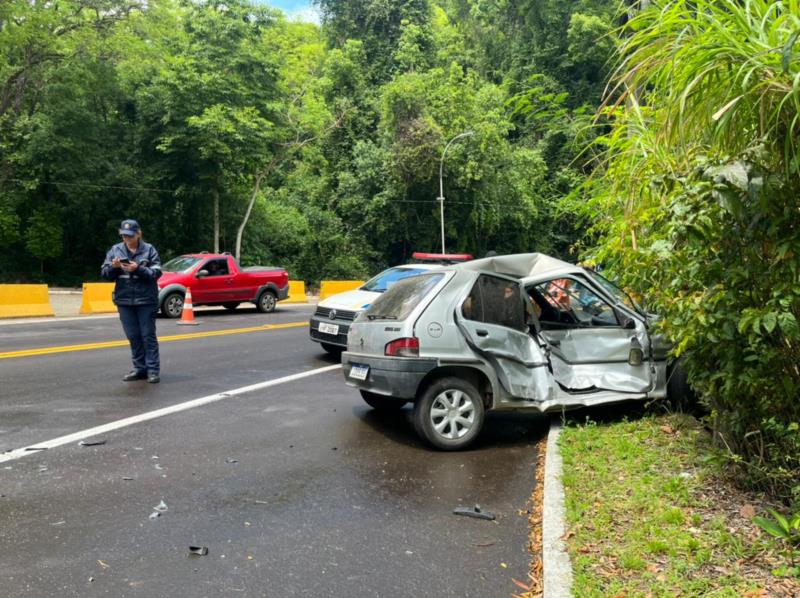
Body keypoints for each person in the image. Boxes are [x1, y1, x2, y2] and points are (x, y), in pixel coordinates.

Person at [101, 219, 163, 383]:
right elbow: (105, 275)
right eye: (124, 236)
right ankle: (139, 368)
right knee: (133, 336)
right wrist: (114, 267)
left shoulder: (149, 250)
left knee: (147, 336)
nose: (127, 239)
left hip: (146, 300)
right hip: (125, 300)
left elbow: (156, 273)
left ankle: (153, 370)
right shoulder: (116, 250)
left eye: (130, 236)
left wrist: (138, 268)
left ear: (138, 234)